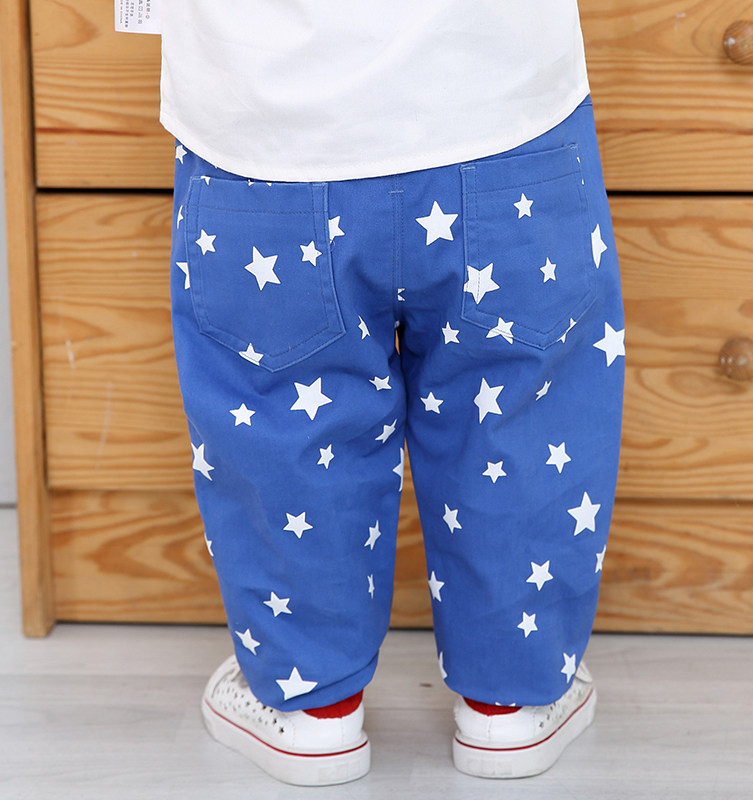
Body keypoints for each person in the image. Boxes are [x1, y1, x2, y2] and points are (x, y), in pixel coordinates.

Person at [159, 0, 625, 786]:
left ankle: (312, 711)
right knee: (520, 412)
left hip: (269, 132)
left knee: (283, 423)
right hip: (502, 112)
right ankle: (510, 704)